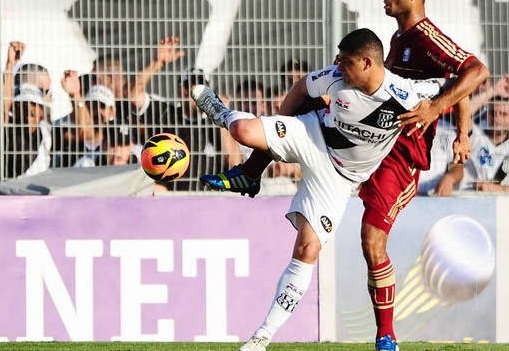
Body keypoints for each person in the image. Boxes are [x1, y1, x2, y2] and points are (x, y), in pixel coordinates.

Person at [200, 0, 490, 349]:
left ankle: (385, 334)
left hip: (400, 154)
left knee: (371, 241)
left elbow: (473, 70)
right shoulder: (398, 39)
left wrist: (450, 120)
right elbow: (455, 81)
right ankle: (250, 169)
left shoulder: (425, 35)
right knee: (285, 123)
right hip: (352, 143)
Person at [191, 28, 448, 351]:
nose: (338, 66)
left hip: (339, 180)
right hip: (312, 134)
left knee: (307, 249)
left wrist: (449, 120)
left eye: (347, 62)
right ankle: (221, 111)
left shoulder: (406, 94)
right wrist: (271, 140)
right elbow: (302, 87)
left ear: (367, 63)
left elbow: (462, 83)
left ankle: (260, 339)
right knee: (244, 130)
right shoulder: (336, 78)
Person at [459, 96, 509, 192]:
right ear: (485, 115)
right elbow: (463, 112)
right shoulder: (475, 135)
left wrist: (496, 189)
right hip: (470, 198)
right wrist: (492, 91)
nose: (497, 118)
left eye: (503, 114)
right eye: (492, 113)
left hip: (505, 202)